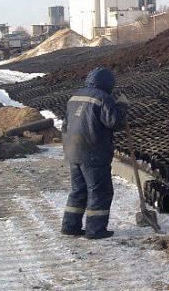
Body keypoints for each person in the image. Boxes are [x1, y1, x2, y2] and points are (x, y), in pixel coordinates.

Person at [61, 67, 128, 239]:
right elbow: (114, 121)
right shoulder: (102, 98)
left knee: (78, 190)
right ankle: (95, 229)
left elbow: (64, 125)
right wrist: (122, 105)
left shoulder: (74, 97)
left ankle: (70, 226)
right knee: (100, 191)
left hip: (73, 152)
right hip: (93, 152)